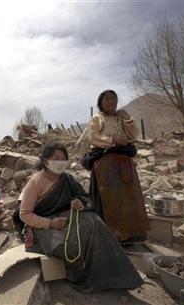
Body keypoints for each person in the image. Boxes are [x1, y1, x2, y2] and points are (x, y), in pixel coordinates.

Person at [13, 142, 143, 293]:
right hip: (40, 224)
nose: (60, 162)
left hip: (64, 215)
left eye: (63, 158)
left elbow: (83, 196)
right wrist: (50, 224)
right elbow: (25, 215)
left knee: (94, 222)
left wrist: (80, 203)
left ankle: (115, 274)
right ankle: (81, 276)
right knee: (69, 244)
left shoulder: (67, 179)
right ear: (46, 160)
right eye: (56, 158)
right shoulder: (35, 182)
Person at [79, 90, 149, 245]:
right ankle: (108, 236)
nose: (111, 102)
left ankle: (130, 236)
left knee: (129, 197)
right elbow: (93, 137)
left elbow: (133, 136)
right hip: (105, 164)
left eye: (114, 99)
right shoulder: (96, 119)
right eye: (108, 99)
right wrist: (113, 140)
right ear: (101, 102)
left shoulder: (121, 118)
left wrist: (129, 120)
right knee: (107, 199)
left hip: (124, 164)